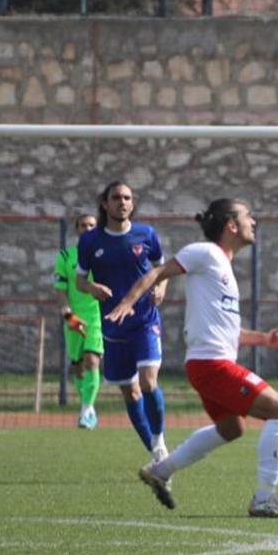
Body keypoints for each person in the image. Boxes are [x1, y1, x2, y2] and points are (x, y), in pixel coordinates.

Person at [109, 199, 278, 517]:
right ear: (231, 225)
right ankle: (265, 499)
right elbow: (158, 271)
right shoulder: (205, 252)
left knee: (232, 428)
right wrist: (129, 301)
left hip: (209, 364)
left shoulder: (222, 267)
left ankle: (161, 471)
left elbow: (229, 331)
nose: (253, 221)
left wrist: (266, 339)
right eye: (247, 216)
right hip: (211, 365)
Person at [76, 182, 170, 461]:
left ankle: (160, 441)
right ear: (104, 203)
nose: (123, 202)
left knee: (148, 382)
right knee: (130, 392)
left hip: (144, 322)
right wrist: (92, 288)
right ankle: (155, 455)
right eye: (116, 198)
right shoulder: (90, 241)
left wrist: (161, 287)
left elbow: (161, 268)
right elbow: (80, 280)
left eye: (127, 198)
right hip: (113, 328)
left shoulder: (146, 234)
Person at [53, 213, 105, 430]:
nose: (87, 228)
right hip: (74, 318)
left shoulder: (104, 254)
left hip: (96, 317)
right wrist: (68, 315)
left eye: (92, 225)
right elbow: (60, 290)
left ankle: (85, 411)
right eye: (83, 225)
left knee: (92, 360)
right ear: (77, 230)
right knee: (77, 366)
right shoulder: (65, 256)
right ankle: (88, 406)